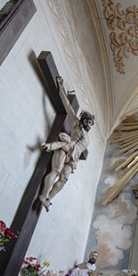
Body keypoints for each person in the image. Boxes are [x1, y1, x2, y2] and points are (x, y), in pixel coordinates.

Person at [39, 75, 95, 211]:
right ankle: (44, 195)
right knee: (56, 171)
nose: (89, 124)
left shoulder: (88, 138)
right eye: (87, 121)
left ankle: (49, 199)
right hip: (66, 148)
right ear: (83, 120)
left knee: (63, 179)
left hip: (73, 159)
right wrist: (61, 87)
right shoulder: (77, 123)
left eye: (91, 123)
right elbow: (67, 105)